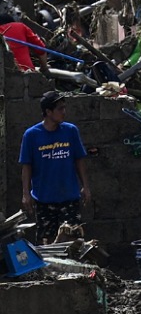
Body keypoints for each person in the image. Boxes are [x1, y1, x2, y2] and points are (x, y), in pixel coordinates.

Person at [20, 91, 90, 244]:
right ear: (48, 112)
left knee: (73, 241)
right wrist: (26, 194)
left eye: (64, 108)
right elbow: (27, 166)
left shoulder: (70, 131)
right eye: (60, 109)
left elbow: (79, 159)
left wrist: (85, 186)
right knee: (47, 244)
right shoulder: (31, 135)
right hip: (44, 199)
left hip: (69, 198)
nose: (64, 112)